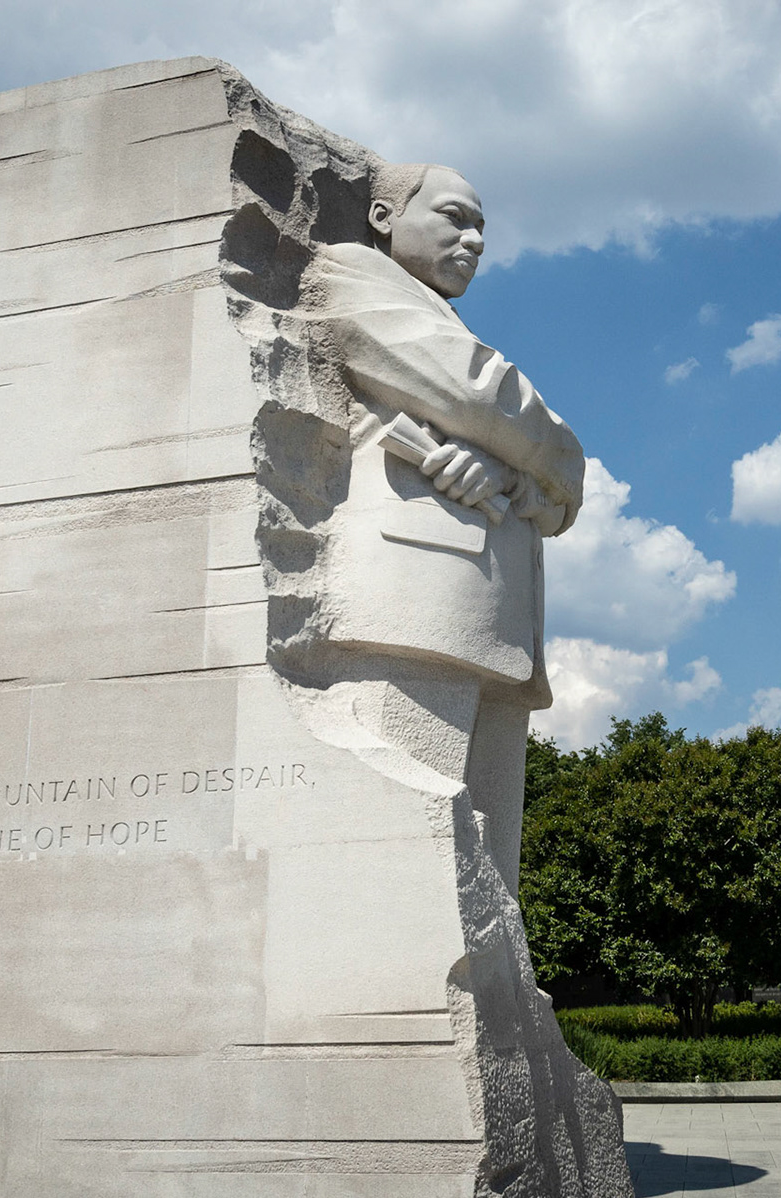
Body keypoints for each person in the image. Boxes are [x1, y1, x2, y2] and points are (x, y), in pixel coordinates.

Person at [291, 164, 587, 895]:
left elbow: (545, 495)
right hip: (411, 598)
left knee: (489, 882)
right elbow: (476, 391)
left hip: (488, 613)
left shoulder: (435, 311)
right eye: (455, 217)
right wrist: (559, 461)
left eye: (482, 226)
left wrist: (511, 474)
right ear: (386, 215)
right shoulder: (349, 269)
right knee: (395, 859)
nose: (475, 239)